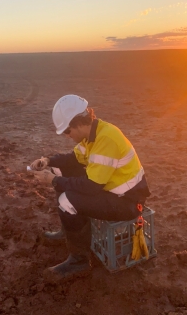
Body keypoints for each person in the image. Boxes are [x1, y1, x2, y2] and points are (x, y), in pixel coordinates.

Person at [27, 94, 151, 279]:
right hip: (112, 191)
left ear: (78, 123)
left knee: (67, 201)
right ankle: (68, 232)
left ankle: (80, 262)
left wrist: (53, 181)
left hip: (128, 201)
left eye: (67, 131)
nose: (67, 136)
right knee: (60, 170)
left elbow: (92, 187)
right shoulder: (92, 134)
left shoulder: (106, 139)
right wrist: (48, 161)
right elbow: (73, 159)